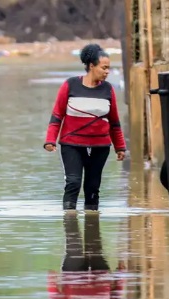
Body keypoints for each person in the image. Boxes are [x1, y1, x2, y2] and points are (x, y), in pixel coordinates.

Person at [44, 43, 127, 211]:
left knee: (92, 187)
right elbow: (57, 116)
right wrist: (50, 140)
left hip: (100, 146)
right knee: (73, 182)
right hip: (72, 144)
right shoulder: (70, 85)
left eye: (109, 68)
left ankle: (92, 230)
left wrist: (120, 147)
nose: (107, 71)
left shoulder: (108, 89)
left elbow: (114, 122)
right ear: (91, 66)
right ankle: (70, 227)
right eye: (104, 67)